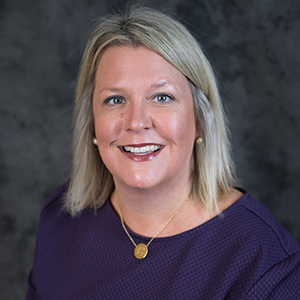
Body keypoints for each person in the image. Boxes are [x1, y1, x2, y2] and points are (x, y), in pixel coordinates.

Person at [26, 6, 300, 299]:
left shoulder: (265, 263)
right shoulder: (61, 217)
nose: (136, 122)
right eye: (115, 99)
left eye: (162, 97)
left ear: (199, 121)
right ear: (92, 123)